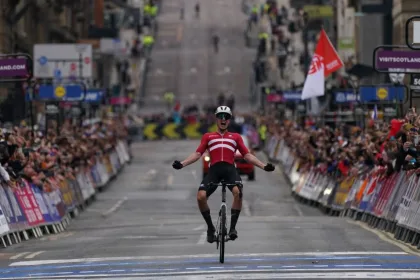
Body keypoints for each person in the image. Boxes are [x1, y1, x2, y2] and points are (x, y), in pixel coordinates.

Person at [172, 106, 275, 243]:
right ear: (216, 118)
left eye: (226, 117)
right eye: (220, 116)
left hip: (229, 171)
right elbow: (198, 154)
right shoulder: (208, 137)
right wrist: (182, 163)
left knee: (238, 193)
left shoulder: (236, 137)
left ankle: (232, 228)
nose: (223, 119)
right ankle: (210, 228)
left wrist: (263, 166)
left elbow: (247, 155)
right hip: (214, 171)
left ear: (229, 120)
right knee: (201, 196)